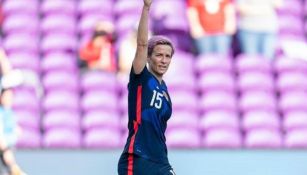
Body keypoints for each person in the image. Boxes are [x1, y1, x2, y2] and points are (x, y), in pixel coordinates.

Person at [118, 0, 176, 174]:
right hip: (137, 158)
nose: (164, 60)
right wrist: (146, 8)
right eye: (159, 55)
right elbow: (142, 44)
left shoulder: (164, 89)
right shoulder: (141, 78)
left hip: (160, 160)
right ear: (149, 58)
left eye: (168, 56)